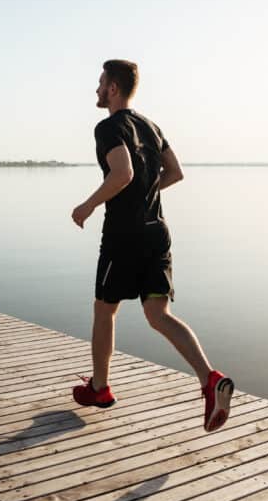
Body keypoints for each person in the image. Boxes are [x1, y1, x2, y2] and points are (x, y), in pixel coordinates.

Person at [70, 59, 234, 432]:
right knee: (158, 315)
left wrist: (89, 204)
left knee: (104, 310)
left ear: (113, 88)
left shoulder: (109, 127)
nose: (96, 90)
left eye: (100, 84)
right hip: (157, 232)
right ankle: (209, 378)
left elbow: (123, 172)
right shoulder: (151, 126)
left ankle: (100, 388)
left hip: (123, 237)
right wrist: (147, 192)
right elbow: (175, 172)